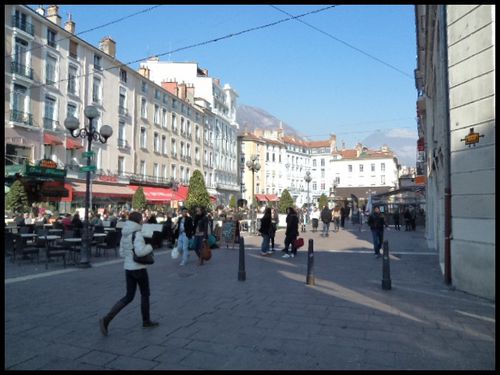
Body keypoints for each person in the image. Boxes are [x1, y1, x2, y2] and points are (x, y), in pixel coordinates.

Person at [99, 211, 158, 336]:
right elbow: (141, 252)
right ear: (138, 220)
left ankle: (107, 319)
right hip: (139, 268)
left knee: (128, 297)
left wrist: (129, 257)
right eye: (141, 219)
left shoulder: (125, 233)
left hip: (128, 268)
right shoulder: (137, 234)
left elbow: (122, 253)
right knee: (145, 294)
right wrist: (150, 246)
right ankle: (146, 321)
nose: (142, 221)